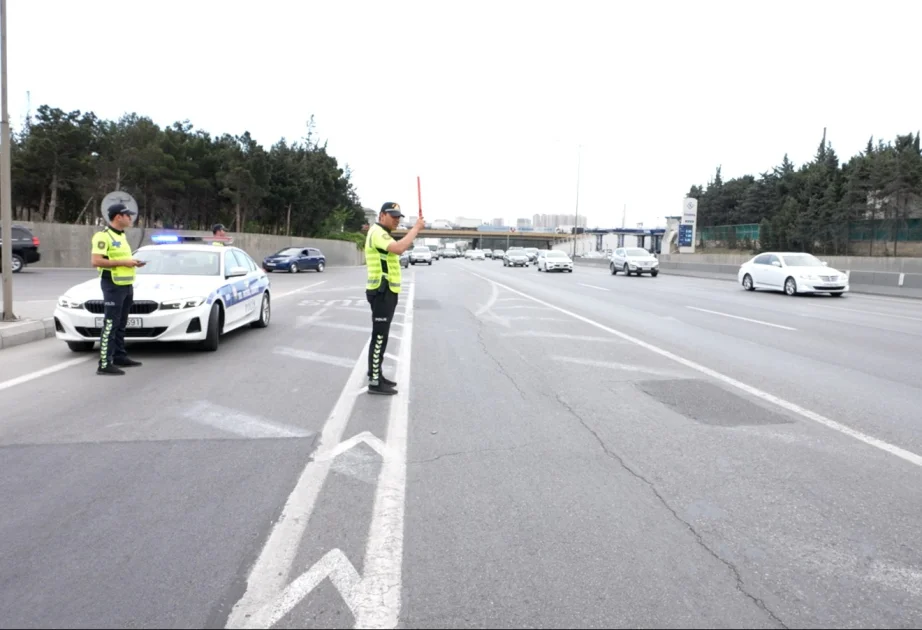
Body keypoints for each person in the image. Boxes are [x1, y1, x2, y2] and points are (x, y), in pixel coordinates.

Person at [364, 202, 424, 395]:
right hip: (381, 292)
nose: (397, 219)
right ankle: (374, 381)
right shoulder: (377, 232)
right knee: (379, 336)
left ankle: (377, 374)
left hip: (386, 291)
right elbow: (398, 248)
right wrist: (415, 228)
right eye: (393, 216)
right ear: (382, 215)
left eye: (399, 216)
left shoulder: (382, 232)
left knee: (383, 335)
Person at [90, 203, 146, 375]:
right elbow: (96, 261)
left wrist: (133, 263)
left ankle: (120, 356)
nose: (130, 218)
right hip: (112, 285)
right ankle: (105, 363)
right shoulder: (103, 236)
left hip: (126, 284)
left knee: (121, 324)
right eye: (127, 215)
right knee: (110, 324)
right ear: (118, 217)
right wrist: (125, 262)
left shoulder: (121, 236)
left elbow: (121, 259)